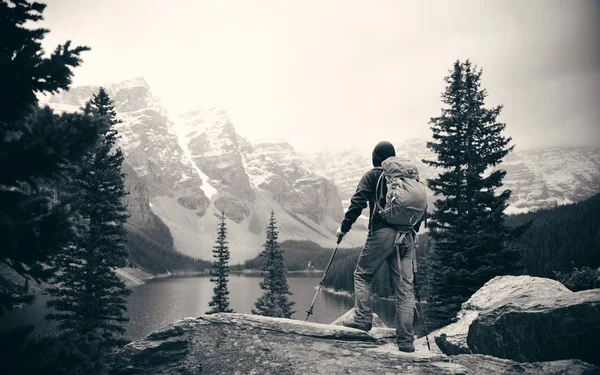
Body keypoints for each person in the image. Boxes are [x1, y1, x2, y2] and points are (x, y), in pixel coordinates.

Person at [336, 140, 424, 353]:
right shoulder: (407, 178)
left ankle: (363, 320)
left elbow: (357, 203)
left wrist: (344, 228)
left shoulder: (373, 175)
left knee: (362, 275)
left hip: (382, 233)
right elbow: (420, 209)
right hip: (407, 235)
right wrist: (411, 230)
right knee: (404, 290)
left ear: (375, 158)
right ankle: (405, 342)